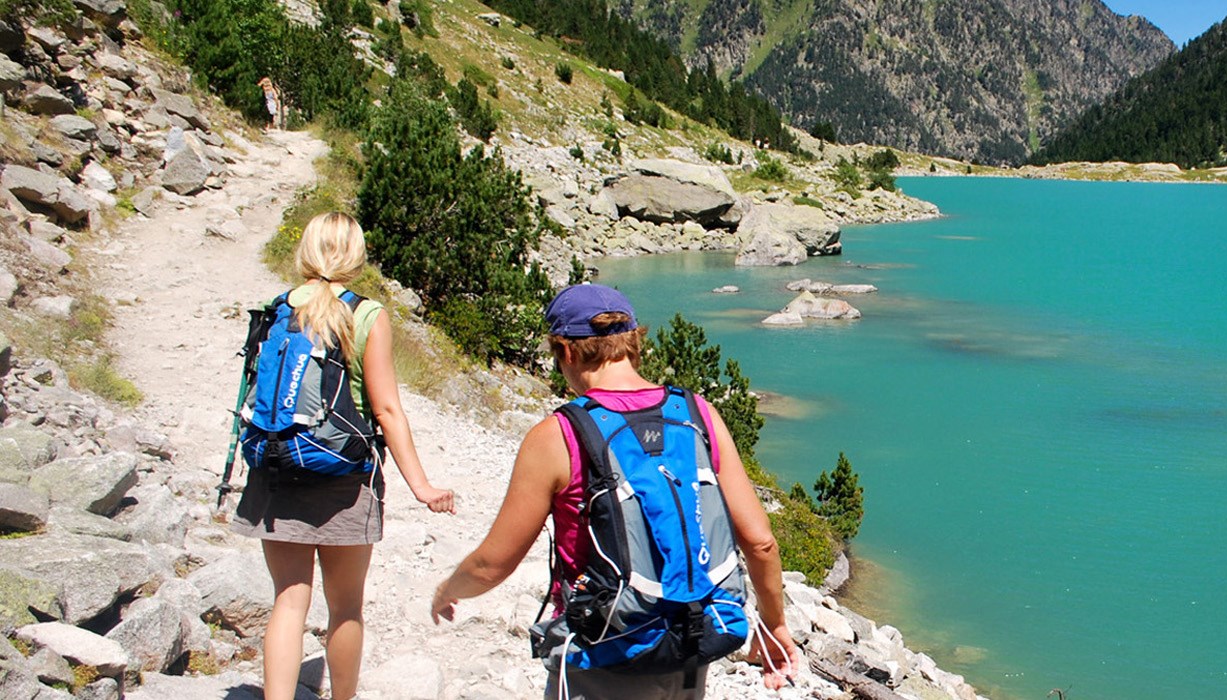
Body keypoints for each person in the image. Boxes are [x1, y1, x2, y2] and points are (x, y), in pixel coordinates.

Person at [429, 284, 799, 699]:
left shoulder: (559, 435)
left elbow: (492, 564)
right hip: (691, 646)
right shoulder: (697, 414)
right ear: (633, 342)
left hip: (602, 657)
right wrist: (775, 625)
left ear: (566, 352)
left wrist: (447, 590)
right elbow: (761, 542)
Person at [229, 212, 457, 700]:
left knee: (288, 602)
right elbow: (387, 410)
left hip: (276, 469)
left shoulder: (277, 308)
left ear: (306, 251)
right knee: (346, 608)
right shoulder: (366, 314)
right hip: (344, 479)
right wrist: (422, 486)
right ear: (356, 257)